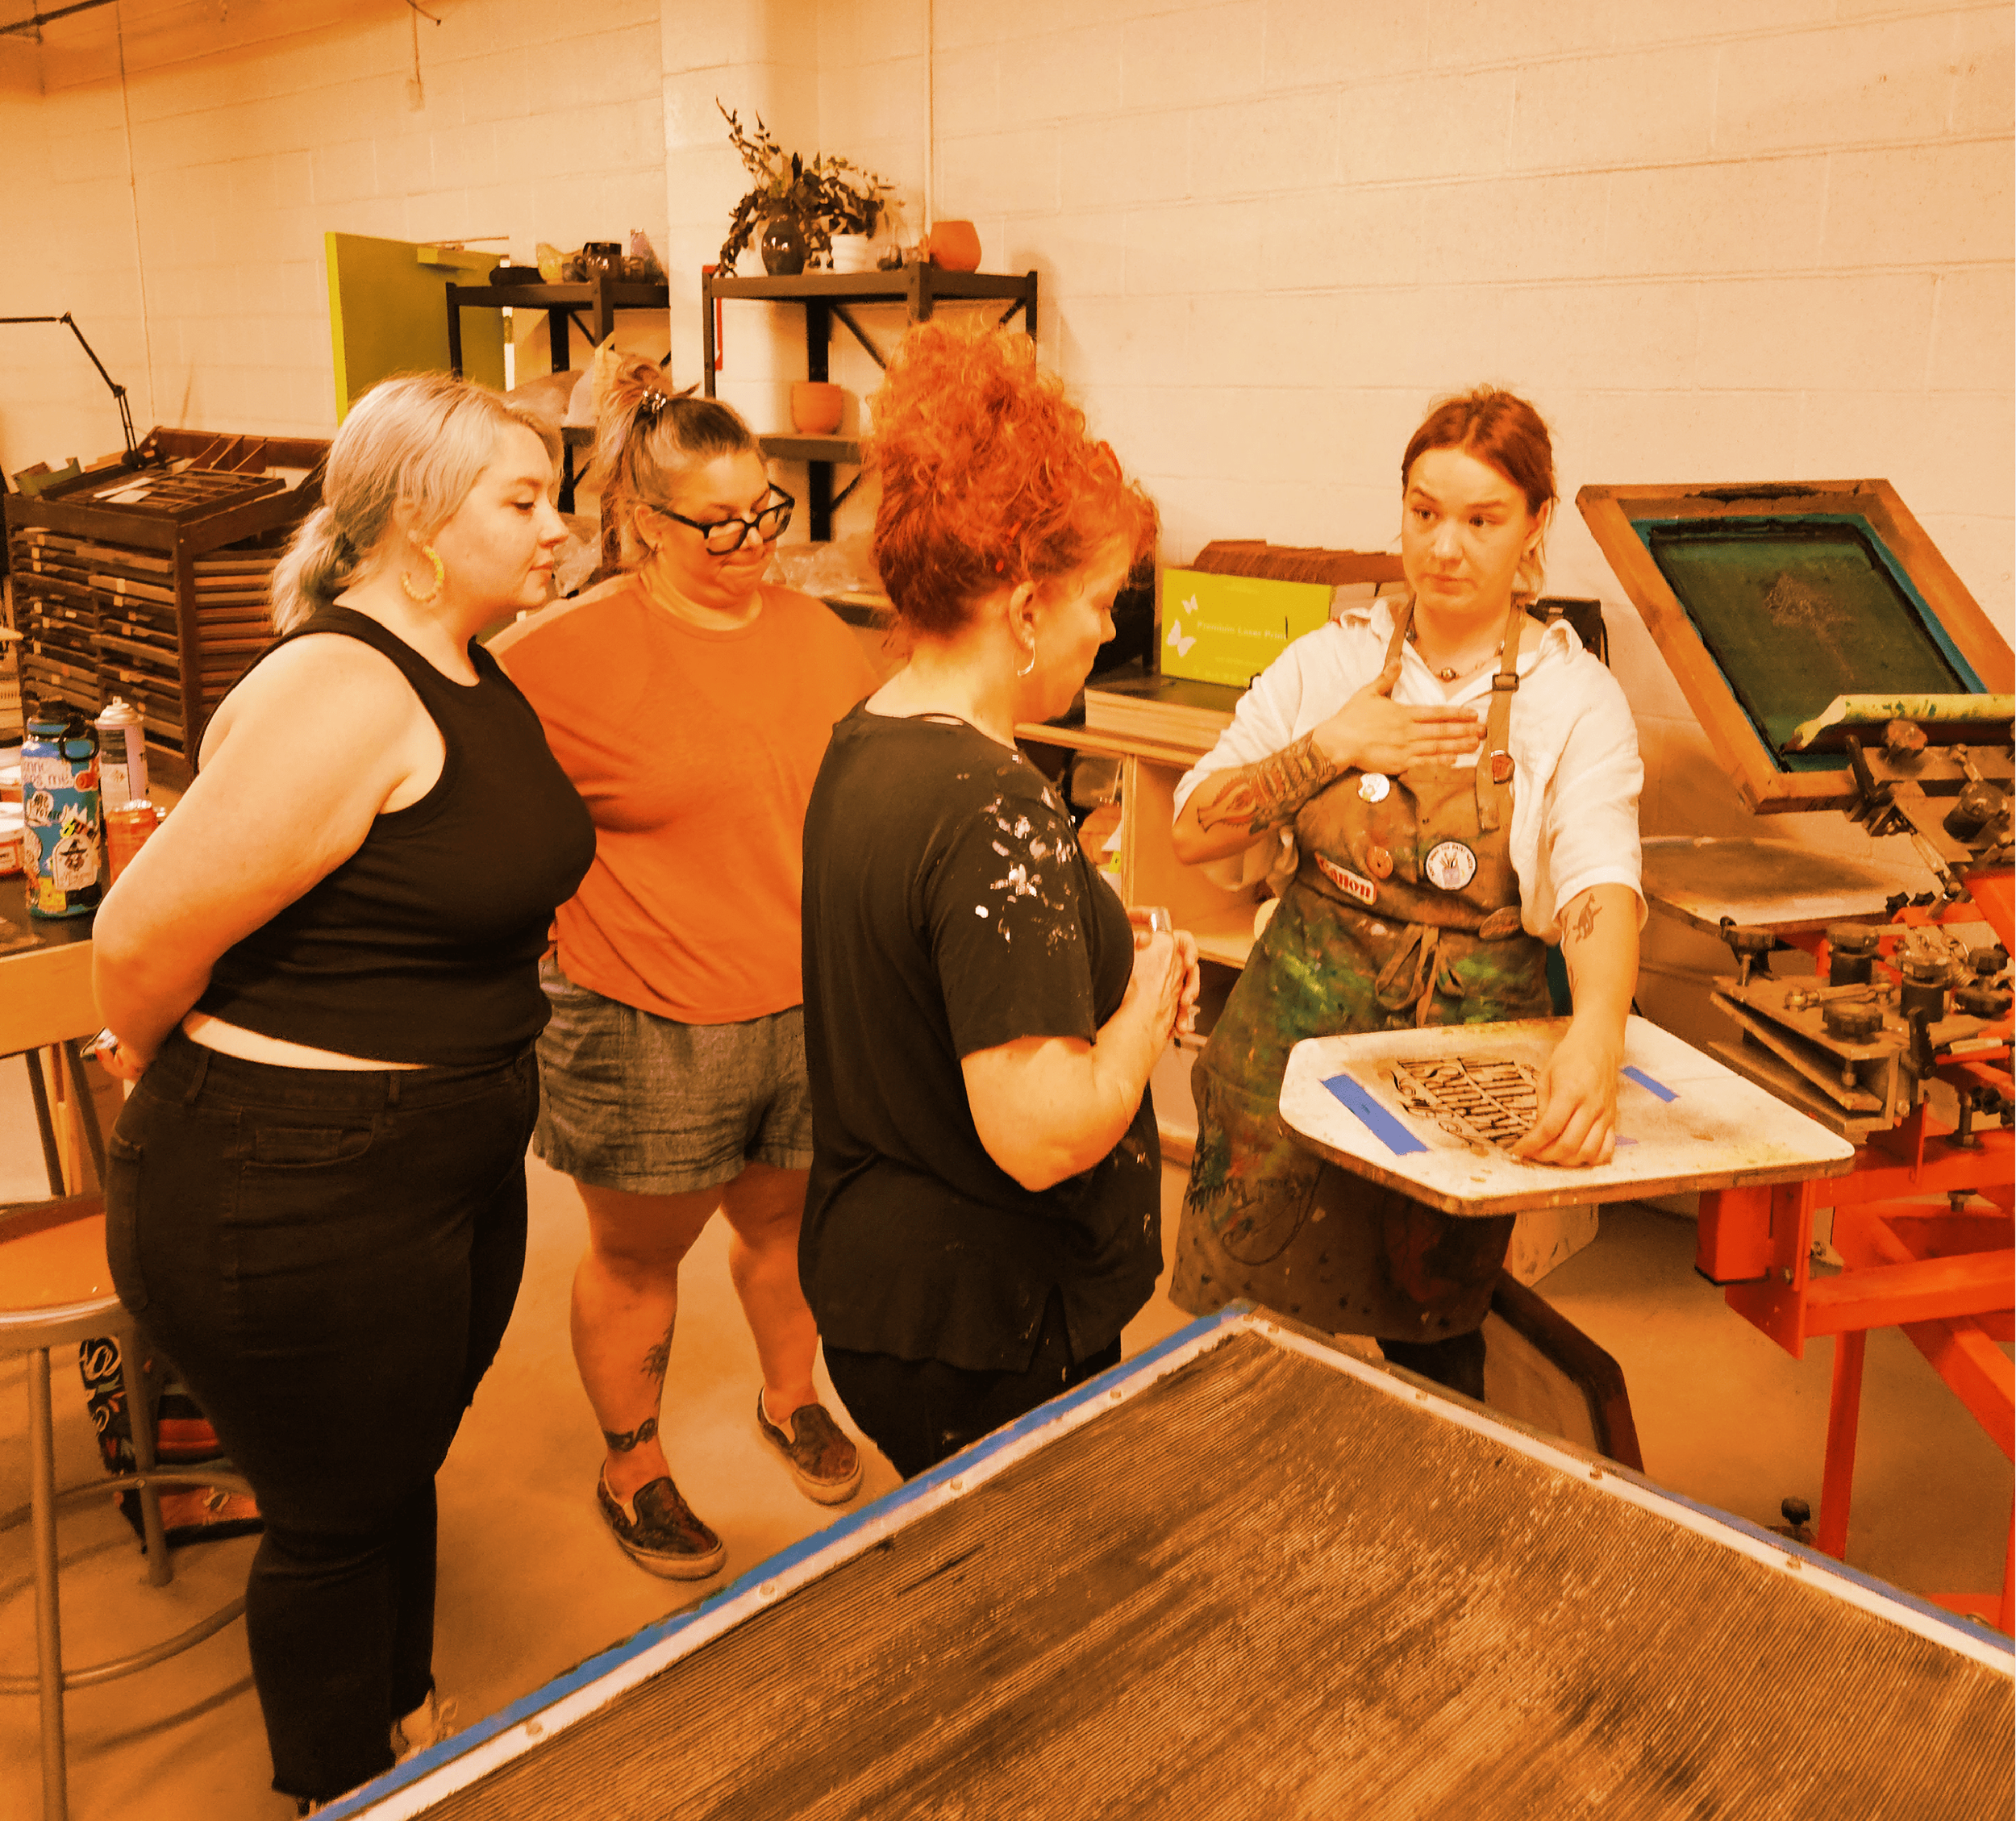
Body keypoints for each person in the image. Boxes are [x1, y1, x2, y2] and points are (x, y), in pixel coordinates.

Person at [92, 372, 596, 1813]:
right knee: (330, 1513)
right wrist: (154, 1065)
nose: (556, 530)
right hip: (292, 1180)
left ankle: (406, 1718)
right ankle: (341, 1783)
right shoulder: (341, 683)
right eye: (524, 500)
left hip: (435, 1156)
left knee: (394, 1464)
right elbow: (136, 941)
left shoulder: (463, 659)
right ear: (422, 528)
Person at [1167, 387, 1643, 1398]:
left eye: (1482, 520)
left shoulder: (1571, 699)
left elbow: (1601, 873)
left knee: (1431, 1333)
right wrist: (1327, 746)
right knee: (1242, 1333)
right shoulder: (1330, 662)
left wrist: (1597, 1025)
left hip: (1451, 1064)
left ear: (1535, 526)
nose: (1445, 547)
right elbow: (1191, 824)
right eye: (1425, 512)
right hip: (1286, 1050)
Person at [490, 371, 880, 1581]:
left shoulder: (818, 636)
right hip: (644, 1021)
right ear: (645, 523)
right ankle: (634, 1462)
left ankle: (788, 1395)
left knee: (782, 1228)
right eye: (720, 524)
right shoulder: (554, 656)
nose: (755, 543)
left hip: (803, 1007)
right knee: (636, 1257)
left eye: (767, 512)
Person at [799, 319, 1200, 1481]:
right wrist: (1145, 1004)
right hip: (987, 1319)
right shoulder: (994, 804)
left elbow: (926, 990)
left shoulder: (869, 740)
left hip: (889, 1290)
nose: (1109, 630)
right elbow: (1043, 1134)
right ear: (1024, 608)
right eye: (1102, 602)